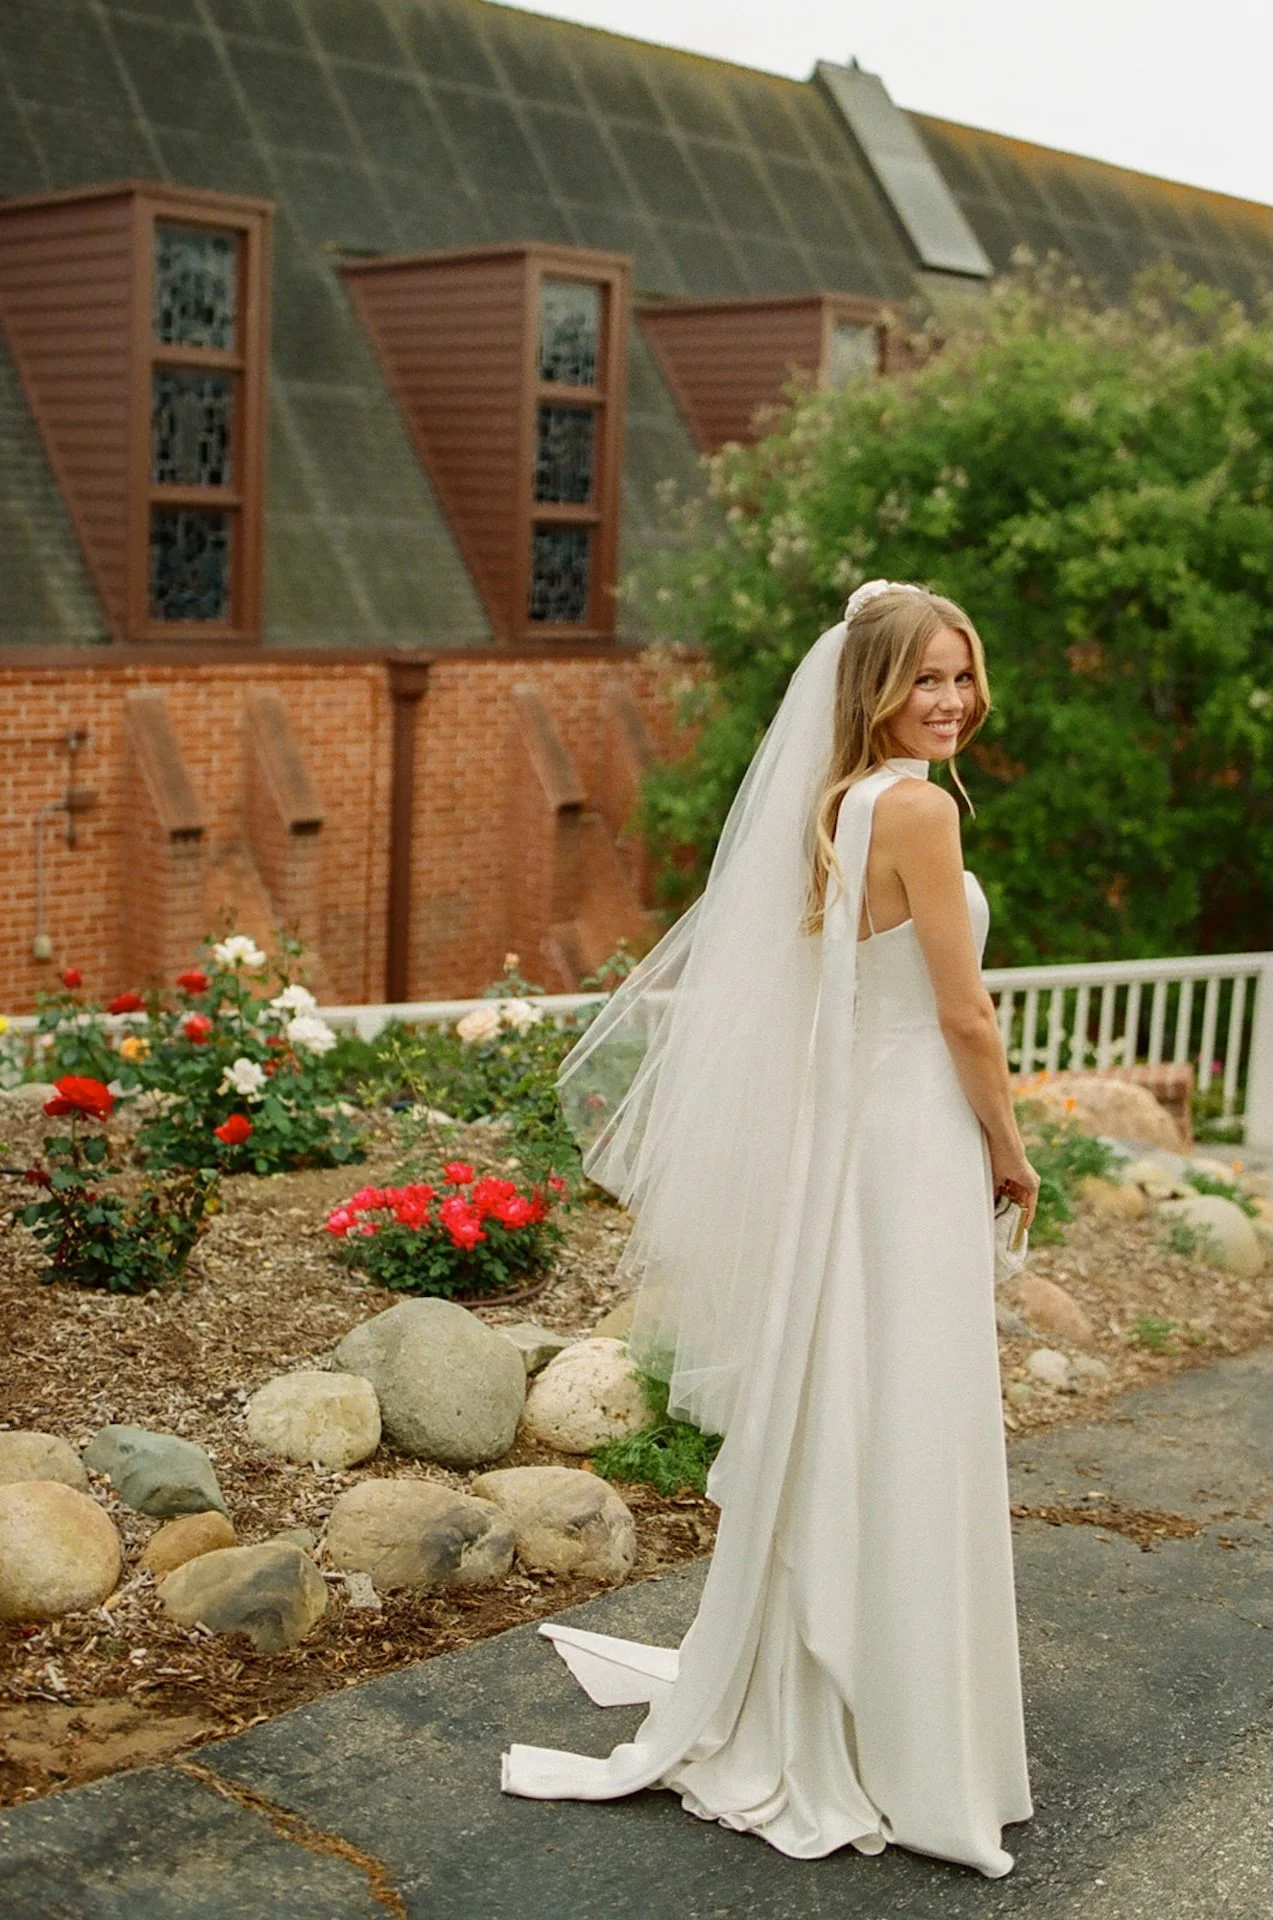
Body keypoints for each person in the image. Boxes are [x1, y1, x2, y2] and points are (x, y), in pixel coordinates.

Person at [501, 580, 1040, 1878]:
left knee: (855, 1405)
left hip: (860, 1137)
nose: (953, 701)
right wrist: (1011, 1150)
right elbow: (964, 1019)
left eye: (963, 676)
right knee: (904, 1405)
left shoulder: (839, 803)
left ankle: (839, 1681)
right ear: (876, 688)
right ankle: (900, 1729)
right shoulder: (910, 806)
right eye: (927, 680)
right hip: (910, 1138)